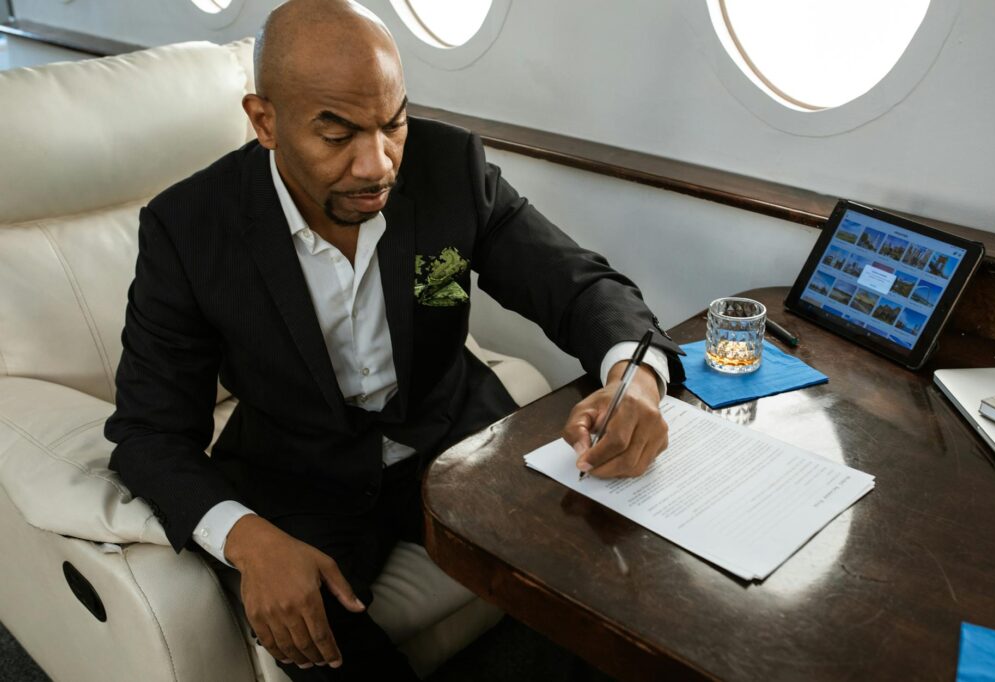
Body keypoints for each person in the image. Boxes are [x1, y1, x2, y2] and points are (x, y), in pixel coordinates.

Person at [105, 0, 684, 679]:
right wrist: (247, 539)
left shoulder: (449, 170)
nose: (377, 165)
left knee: (614, 573)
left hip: (457, 433)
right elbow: (148, 432)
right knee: (326, 649)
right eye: (338, 134)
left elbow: (580, 287)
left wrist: (635, 378)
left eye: (393, 124)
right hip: (297, 468)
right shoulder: (188, 229)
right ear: (265, 121)